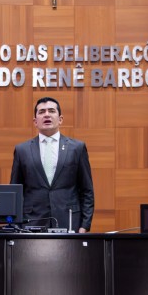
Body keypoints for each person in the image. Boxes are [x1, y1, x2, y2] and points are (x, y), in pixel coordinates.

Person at [10, 97, 95, 232]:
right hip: (31, 222)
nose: (47, 115)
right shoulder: (22, 150)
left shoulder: (77, 148)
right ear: (35, 121)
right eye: (42, 112)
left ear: (60, 119)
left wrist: (84, 225)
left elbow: (87, 189)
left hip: (69, 221)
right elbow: (15, 191)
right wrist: (16, 225)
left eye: (51, 111)